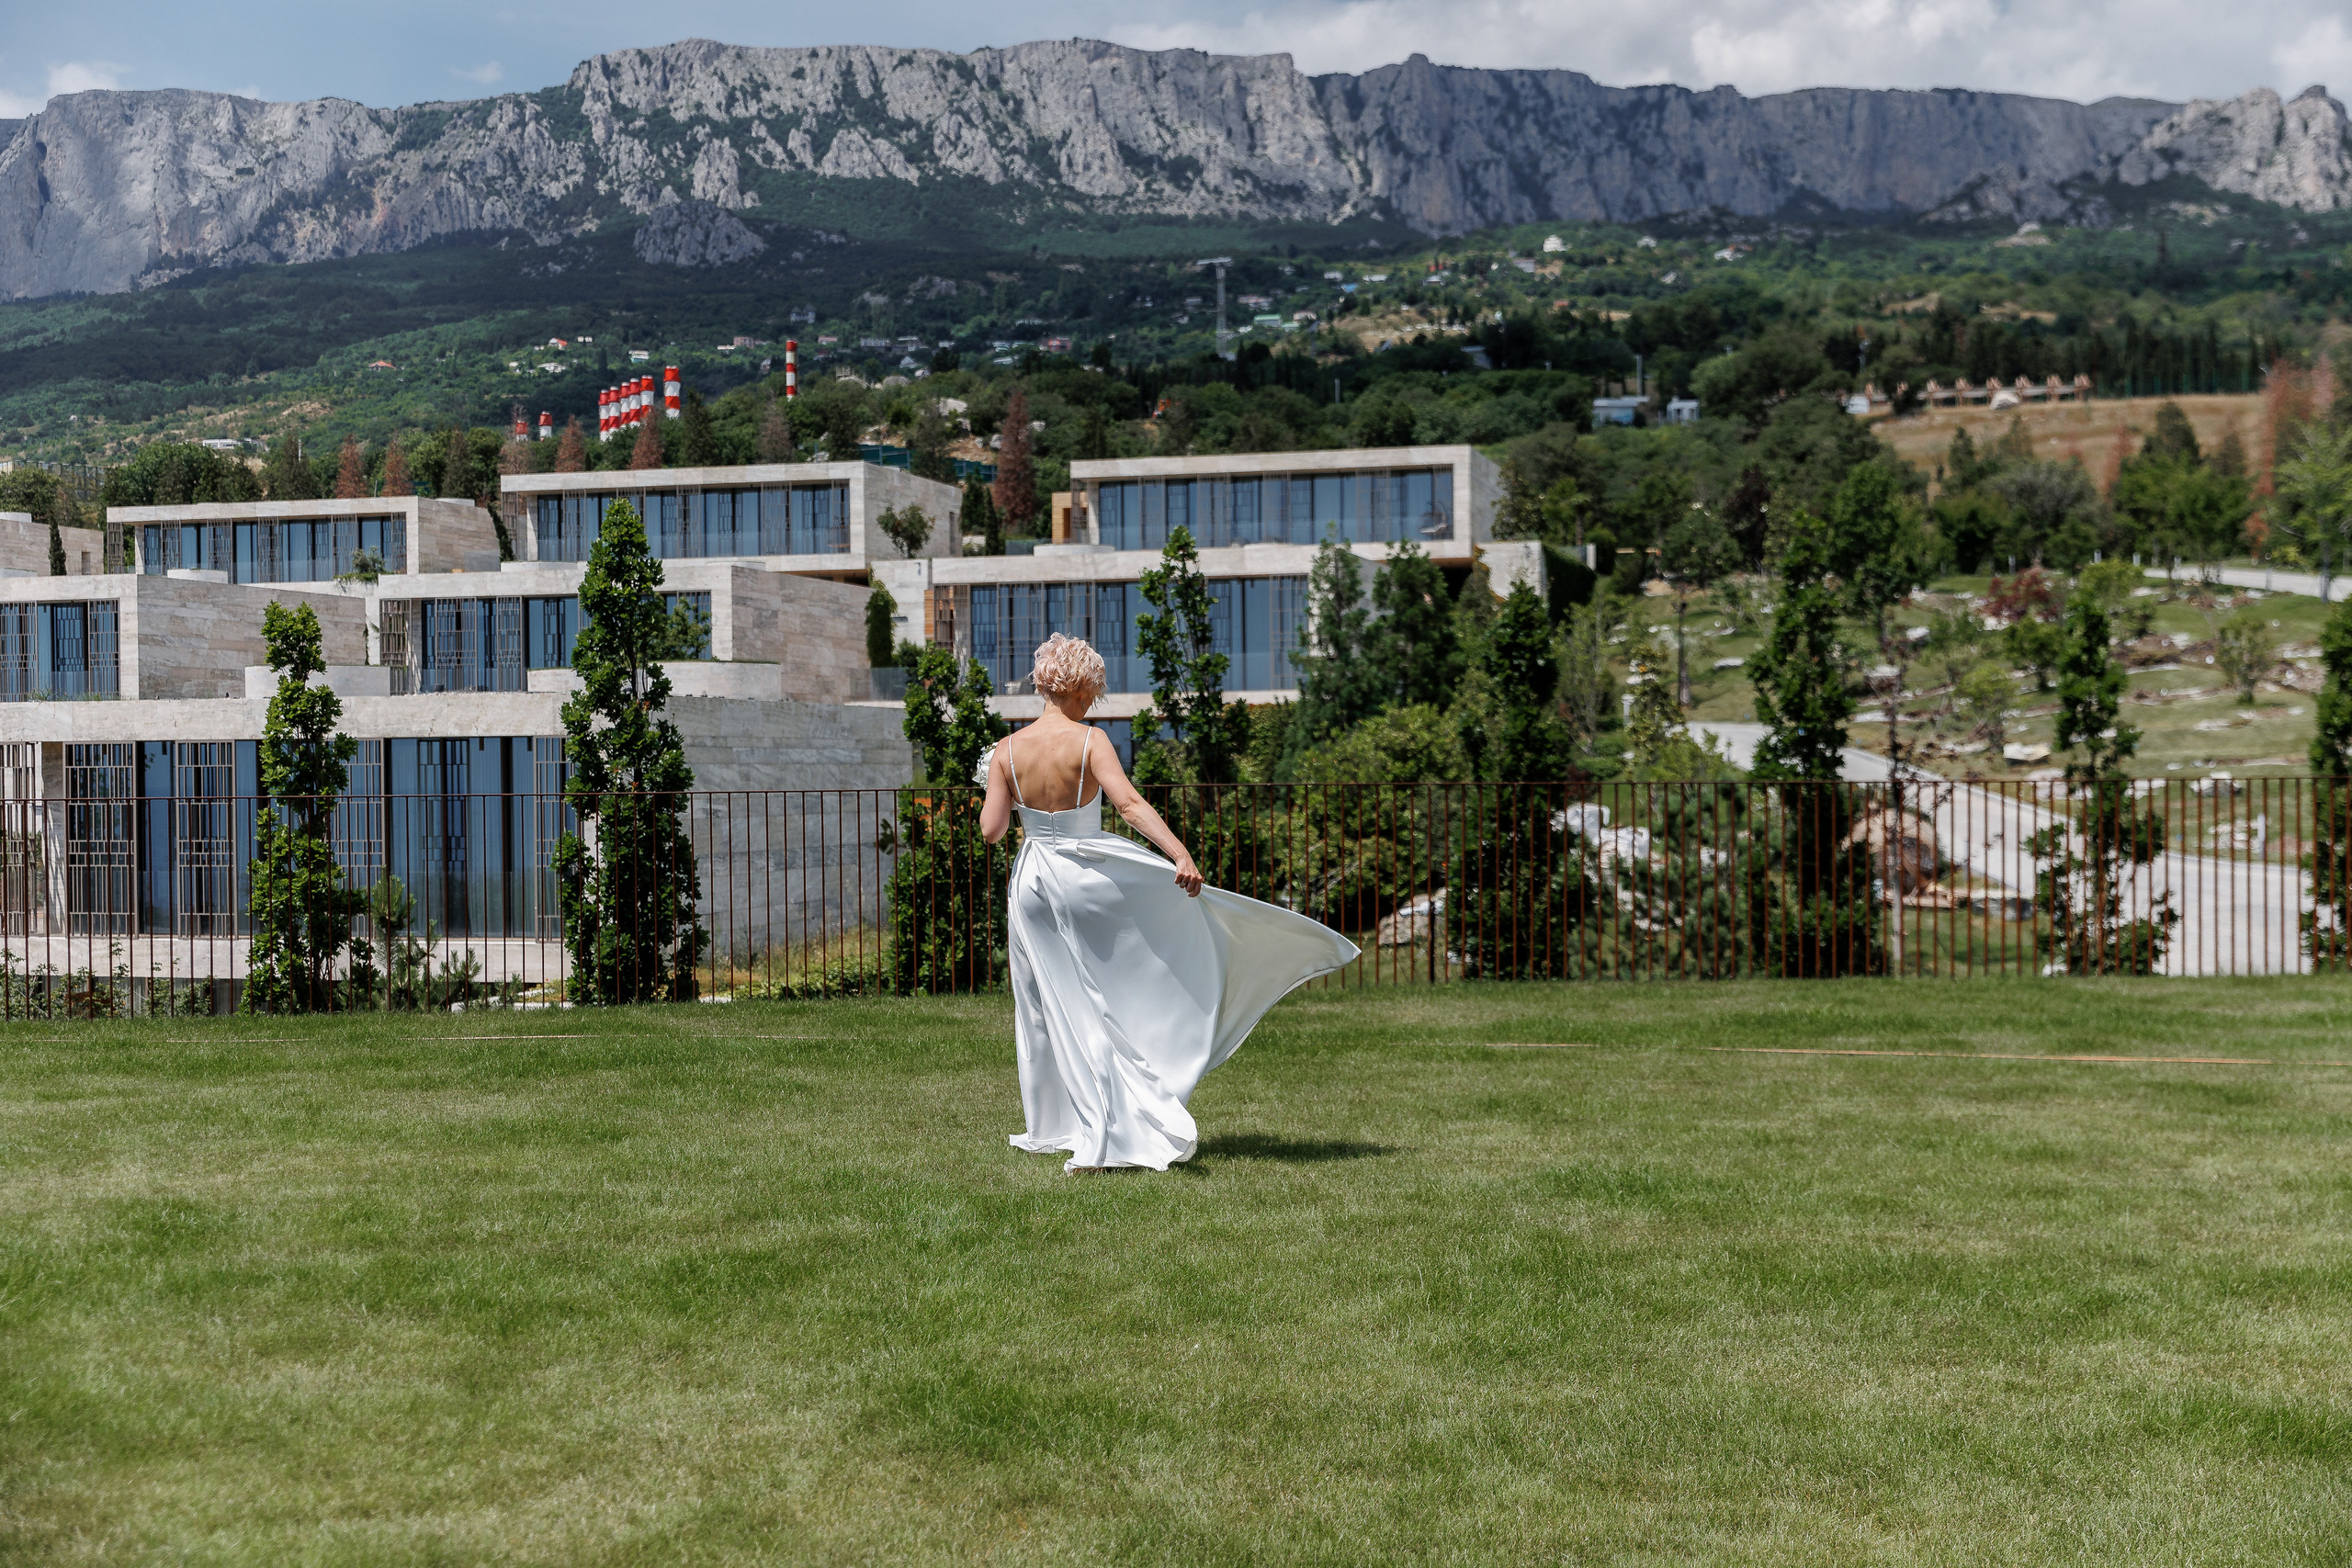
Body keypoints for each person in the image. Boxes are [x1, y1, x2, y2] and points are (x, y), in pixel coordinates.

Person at [981, 633, 1359, 1172]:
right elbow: (1129, 805)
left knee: (1046, 1005)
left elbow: (992, 830)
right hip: (1085, 878)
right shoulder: (1090, 742)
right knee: (1109, 994)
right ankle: (1121, 1111)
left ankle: (1061, 1125)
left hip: (1033, 885)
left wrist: (994, 786)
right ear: (1079, 686)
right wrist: (1179, 853)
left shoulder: (1006, 750)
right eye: (1093, 692)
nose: (1093, 702)